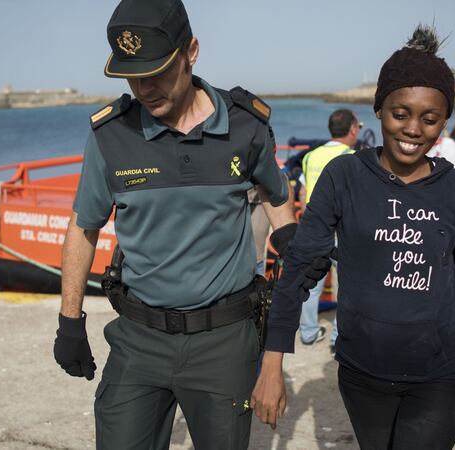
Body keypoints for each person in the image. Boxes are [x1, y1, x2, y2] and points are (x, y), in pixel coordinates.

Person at [252, 25, 455, 449]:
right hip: (362, 372)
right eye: (400, 114)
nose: (413, 129)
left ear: (444, 121)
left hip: (439, 373)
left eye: (429, 119)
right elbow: (300, 268)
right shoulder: (345, 177)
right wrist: (272, 361)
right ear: (378, 109)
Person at [52, 1, 300, 448]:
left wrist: (296, 248)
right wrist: (69, 322)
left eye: (158, 71)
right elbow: (83, 228)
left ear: (192, 52)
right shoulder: (111, 136)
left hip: (224, 342)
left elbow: (274, 195)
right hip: (138, 340)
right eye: (133, 75)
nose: (144, 88)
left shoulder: (246, 125)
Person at [297, 109, 360, 349]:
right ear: (353, 129)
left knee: (312, 283)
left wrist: (308, 220)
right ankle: (338, 338)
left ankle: (309, 332)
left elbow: (302, 191)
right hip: (342, 232)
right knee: (345, 286)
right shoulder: (354, 158)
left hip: (315, 229)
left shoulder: (311, 156)